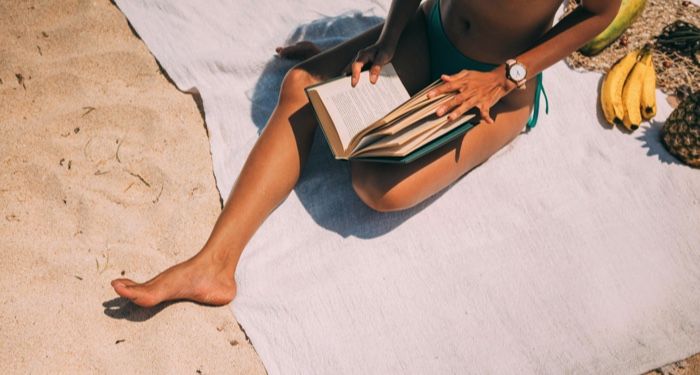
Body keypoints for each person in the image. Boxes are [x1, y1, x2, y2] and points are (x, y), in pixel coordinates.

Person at [111, 0, 621, 307]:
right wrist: (390, 34)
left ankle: (488, 102)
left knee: (376, 185)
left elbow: (601, 12)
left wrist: (506, 76)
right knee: (301, 89)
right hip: (429, 30)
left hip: (497, 82)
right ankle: (213, 265)